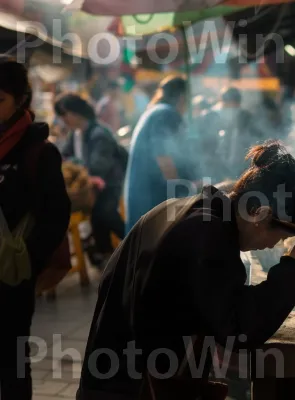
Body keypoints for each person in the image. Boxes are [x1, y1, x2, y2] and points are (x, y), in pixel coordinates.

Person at [77, 141, 295, 399]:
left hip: (117, 374)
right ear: (259, 214)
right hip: (125, 386)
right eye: (280, 235)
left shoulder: (202, 215)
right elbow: (238, 329)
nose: (275, 245)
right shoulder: (207, 233)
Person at [0, 58, 71, 400]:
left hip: (11, 276)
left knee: (12, 359)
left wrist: (27, 261)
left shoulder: (39, 153)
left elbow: (56, 216)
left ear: (20, 99)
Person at [55, 93, 125, 267]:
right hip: (92, 186)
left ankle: (136, 241)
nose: (63, 120)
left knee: (103, 212)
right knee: (95, 213)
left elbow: (98, 167)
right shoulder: (76, 135)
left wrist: (75, 166)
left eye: (65, 114)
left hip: (110, 184)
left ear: (76, 112)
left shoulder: (99, 133)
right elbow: (64, 156)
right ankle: (106, 253)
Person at [124, 75, 197, 234]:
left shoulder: (155, 111)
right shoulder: (165, 114)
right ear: (183, 97)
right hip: (152, 202)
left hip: (145, 200)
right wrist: (183, 193)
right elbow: (164, 159)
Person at [202, 87, 263, 181]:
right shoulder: (211, 116)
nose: (230, 109)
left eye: (233, 105)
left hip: (239, 168)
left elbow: (257, 138)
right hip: (216, 169)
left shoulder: (246, 117)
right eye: (227, 105)